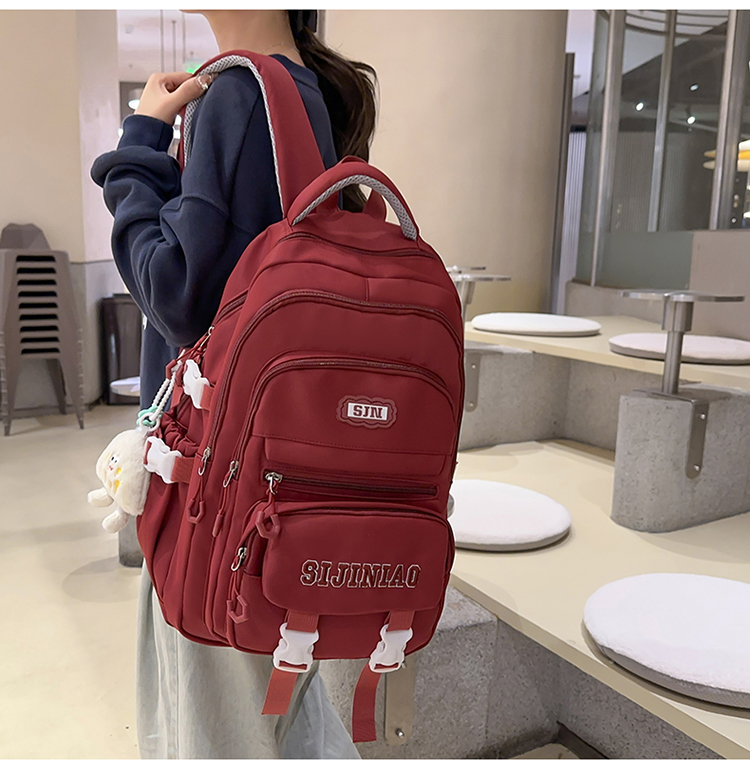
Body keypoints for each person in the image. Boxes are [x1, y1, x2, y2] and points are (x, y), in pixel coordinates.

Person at [91, 9, 377, 759]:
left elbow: (178, 296)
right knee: (278, 714)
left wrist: (139, 146)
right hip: (275, 478)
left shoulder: (241, 97)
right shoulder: (304, 93)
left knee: (215, 728)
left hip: (217, 492)